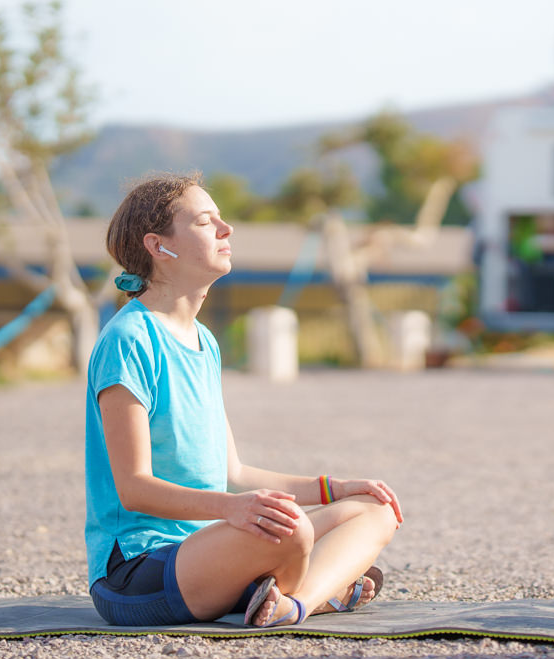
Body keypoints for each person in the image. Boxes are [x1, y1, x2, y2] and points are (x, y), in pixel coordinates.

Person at [85, 172, 402, 629]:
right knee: (290, 528)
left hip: (215, 547)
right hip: (138, 572)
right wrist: (233, 509)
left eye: (221, 219)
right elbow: (134, 488)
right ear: (159, 245)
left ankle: (293, 604)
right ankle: (319, 587)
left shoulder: (204, 341)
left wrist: (336, 488)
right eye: (204, 221)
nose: (226, 229)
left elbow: (233, 473)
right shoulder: (129, 339)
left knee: (376, 509)